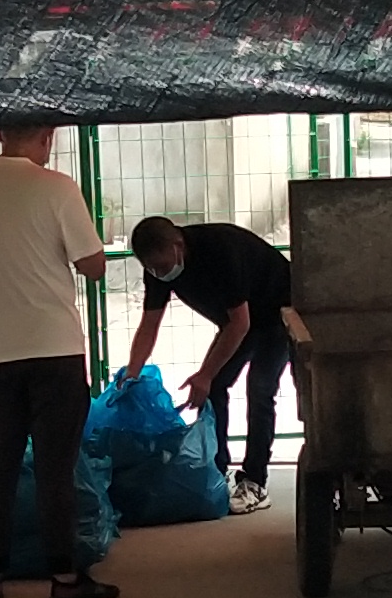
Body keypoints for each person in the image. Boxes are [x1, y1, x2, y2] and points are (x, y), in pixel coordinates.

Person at [0, 123, 118, 598]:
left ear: (0, 133)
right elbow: (93, 265)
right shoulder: (56, 187)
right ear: (48, 136)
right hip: (52, 349)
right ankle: (64, 577)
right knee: (55, 470)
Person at [125, 214, 294, 513]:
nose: (158, 273)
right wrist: (132, 374)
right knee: (213, 387)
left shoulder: (219, 250)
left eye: (162, 266)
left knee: (259, 389)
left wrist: (204, 374)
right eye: (151, 268)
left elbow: (240, 324)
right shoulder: (158, 270)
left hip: (277, 314)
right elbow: (149, 324)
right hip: (236, 322)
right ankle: (216, 471)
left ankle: (255, 480)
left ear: (178, 245)